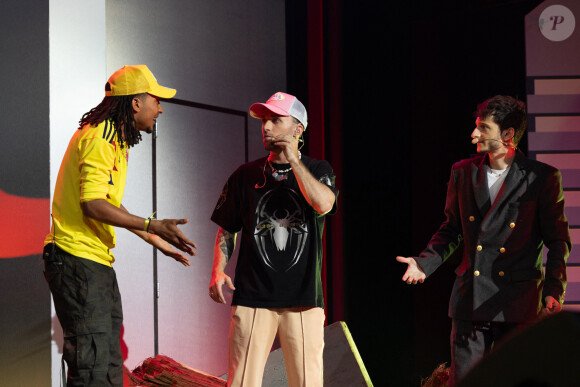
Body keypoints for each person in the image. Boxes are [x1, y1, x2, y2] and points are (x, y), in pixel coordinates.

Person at [396, 95, 570, 386]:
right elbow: (452, 230)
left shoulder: (541, 178)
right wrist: (423, 264)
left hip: (516, 300)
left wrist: (554, 288)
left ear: (507, 135)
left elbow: (558, 240)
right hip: (470, 299)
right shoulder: (463, 172)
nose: (473, 134)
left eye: (483, 128)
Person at [43, 65, 197, 386]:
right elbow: (93, 204)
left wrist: (154, 239)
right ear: (136, 103)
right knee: (92, 370)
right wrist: (151, 224)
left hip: (94, 261)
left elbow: (108, 201)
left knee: (110, 369)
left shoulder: (116, 139)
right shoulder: (100, 137)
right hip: (77, 259)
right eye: (156, 99)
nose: (161, 107)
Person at [209, 92, 338, 387]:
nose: (266, 127)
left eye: (275, 120)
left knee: (307, 383)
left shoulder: (319, 170)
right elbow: (226, 228)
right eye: (264, 120)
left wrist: (293, 160)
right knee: (242, 383)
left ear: (297, 129)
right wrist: (218, 269)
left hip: (304, 299)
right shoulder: (245, 174)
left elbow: (324, 204)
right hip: (253, 298)